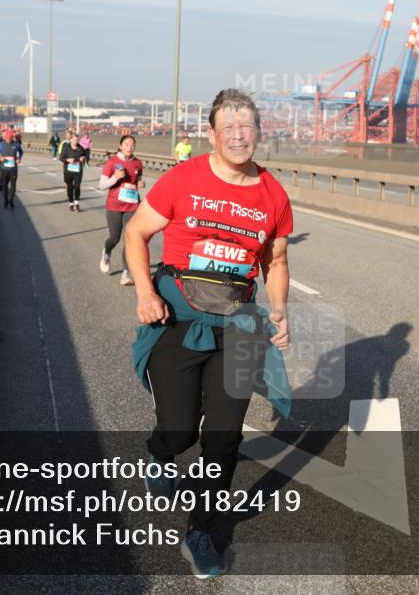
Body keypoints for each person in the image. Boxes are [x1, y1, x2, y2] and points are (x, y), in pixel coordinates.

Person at [124, 88, 292, 579]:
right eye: (229, 128)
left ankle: (201, 532)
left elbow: (276, 261)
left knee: (222, 440)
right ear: (213, 135)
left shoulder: (273, 195)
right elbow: (136, 233)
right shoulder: (184, 178)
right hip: (177, 320)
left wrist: (279, 312)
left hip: (238, 326)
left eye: (247, 127)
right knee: (178, 428)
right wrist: (144, 293)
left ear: (258, 132)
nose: (239, 136)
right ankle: (160, 453)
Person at [98, 134, 144, 285]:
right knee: (115, 238)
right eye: (126, 144)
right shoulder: (112, 162)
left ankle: (126, 273)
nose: (129, 147)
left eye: (132, 144)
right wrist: (115, 178)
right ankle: (107, 252)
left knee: (130, 240)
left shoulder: (138, 163)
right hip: (114, 206)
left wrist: (140, 184)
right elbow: (102, 185)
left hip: (132, 205)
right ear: (120, 146)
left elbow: (137, 180)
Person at [0, 128, 23, 209]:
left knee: (13, 186)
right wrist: (0, 158)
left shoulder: (16, 144)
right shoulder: (1, 145)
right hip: (4, 169)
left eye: (10, 138)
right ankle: (6, 200)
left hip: (13, 169)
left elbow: (21, 151)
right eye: (7, 138)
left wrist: (19, 158)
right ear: (5, 137)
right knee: (5, 186)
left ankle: (11, 201)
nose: (9, 139)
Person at [60, 133, 86, 211]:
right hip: (68, 171)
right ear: (71, 140)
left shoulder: (80, 148)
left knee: (77, 186)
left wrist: (83, 158)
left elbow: (84, 155)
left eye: (77, 140)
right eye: (74, 140)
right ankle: (71, 203)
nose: (75, 142)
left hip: (77, 171)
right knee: (70, 187)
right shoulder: (66, 147)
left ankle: (77, 203)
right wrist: (68, 160)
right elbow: (61, 158)